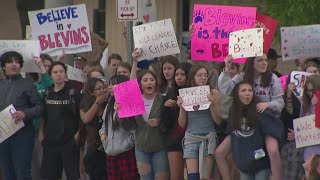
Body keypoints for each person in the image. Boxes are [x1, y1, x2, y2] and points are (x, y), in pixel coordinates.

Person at [217, 54, 284, 180]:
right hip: (246, 121)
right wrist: (227, 68)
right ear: (251, 62)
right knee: (220, 152)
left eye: (265, 60)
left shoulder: (272, 78)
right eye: (260, 60)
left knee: (273, 150)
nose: (264, 63)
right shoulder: (242, 76)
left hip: (268, 121)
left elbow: (280, 103)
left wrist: (267, 104)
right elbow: (225, 89)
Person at [0, 51, 43, 180]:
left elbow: (40, 108)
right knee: (7, 173)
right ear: (3, 66)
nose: (14, 64)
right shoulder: (0, 85)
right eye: (10, 62)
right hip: (3, 136)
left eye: (17, 62)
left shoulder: (28, 84)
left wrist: (25, 113)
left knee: (22, 172)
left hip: (23, 135)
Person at [228, 81, 283, 180]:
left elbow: (273, 150)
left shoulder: (261, 112)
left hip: (261, 164)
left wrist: (276, 175)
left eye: (250, 90)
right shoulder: (233, 113)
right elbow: (234, 141)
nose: (247, 93)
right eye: (243, 90)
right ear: (236, 94)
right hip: (244, 165)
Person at [177, 64, 222, 180]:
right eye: (200, 75)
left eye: (205, 75)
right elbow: (181, 123)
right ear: (193, 77)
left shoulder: (213, 93)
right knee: (192, 177)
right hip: (191, 138)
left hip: (208, 137)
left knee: (205, 177)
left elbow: (218, 120)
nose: (203, 78)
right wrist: (181, 107)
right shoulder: (185, 94)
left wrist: (212, 104)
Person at [39, 61, 82, 180]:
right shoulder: (47, 92)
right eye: (55, 72)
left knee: (73, 175)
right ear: (51, 75)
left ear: (65, 74)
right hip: (50, 142)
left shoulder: (73, 93)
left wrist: (77, 135)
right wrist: (41, 133)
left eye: (61, 72)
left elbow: (82, 117)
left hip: (69, 142)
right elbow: (44, 115)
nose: (58, 74)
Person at [100, 75, 139, 180]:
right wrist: (103, 135)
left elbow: (131, 127)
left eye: (113, 84)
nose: (110, 87)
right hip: (111, 152)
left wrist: (130, 142)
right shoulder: (110, 103)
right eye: (109, 85)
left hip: (126, 152)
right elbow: (104, 124)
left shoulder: (129, 102)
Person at [134, 70, 170, 179]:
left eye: (152, 80)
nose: (149, 83)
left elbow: (169, 123)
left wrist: (160, 122)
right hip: (141, 148)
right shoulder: (135, 100)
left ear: (156, 83)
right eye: (145, 80)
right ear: (140, 84)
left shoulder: (163, 99)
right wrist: (119, 111)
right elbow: (127, 125)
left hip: (160, 148)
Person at [162, 62, 192, 180]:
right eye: (177, 75)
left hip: (193, 137)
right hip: (175, 139)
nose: (179, 77)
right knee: (176, 177)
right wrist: (165, 107)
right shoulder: (170, 93)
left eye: (182, 74)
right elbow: (165, 121)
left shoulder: (196, 92)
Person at [80, 77, 108, 180]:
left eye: (103, 88)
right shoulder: (85, 104)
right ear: (91, 92)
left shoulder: (108, 103)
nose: (102, 91)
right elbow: (86, 119)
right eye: (98, 89)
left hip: (108, 148)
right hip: (94, 149)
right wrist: (97, 103)